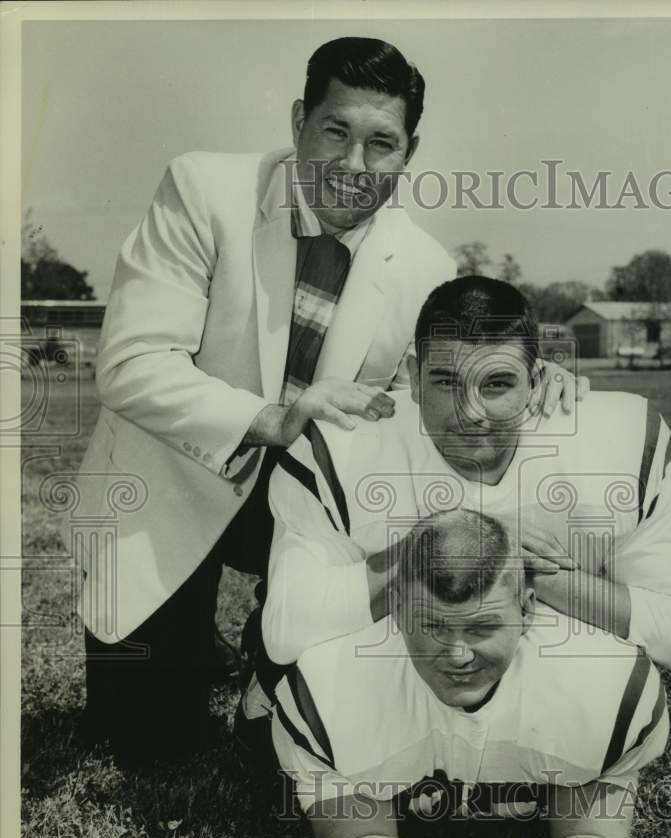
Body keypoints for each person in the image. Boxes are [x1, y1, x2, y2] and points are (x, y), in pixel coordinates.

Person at [67, 38, 584, 763]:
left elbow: (440, 405)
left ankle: (269, 656)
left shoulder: (427, 266)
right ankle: (185, 642)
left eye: (381, 144)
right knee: (148, 743)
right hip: (168, 479)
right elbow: (129, 364)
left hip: (299, 506)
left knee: (277, 740)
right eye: (335, 132)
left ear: (409, 152)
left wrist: (531, 385)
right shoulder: (203, 189)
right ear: (298, 120)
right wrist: (271, 419)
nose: (353, 165)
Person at [250, 275, 671, 686]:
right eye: (446, 383)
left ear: (536, 380)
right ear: (412, 378)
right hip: (393, 695)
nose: (471, 413)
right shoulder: (338, 448)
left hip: (557, 703)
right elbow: (285, 631)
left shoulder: (624, 436)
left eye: (497, 384)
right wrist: (449, 543)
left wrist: (509, 557)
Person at [264, 509, 668, 838]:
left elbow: (595, 834)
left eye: (481, 627)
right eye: (434, 626)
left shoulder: (606, 684)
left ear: (528, 609)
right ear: (397, 608)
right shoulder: (326, 688)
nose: (458, 655)